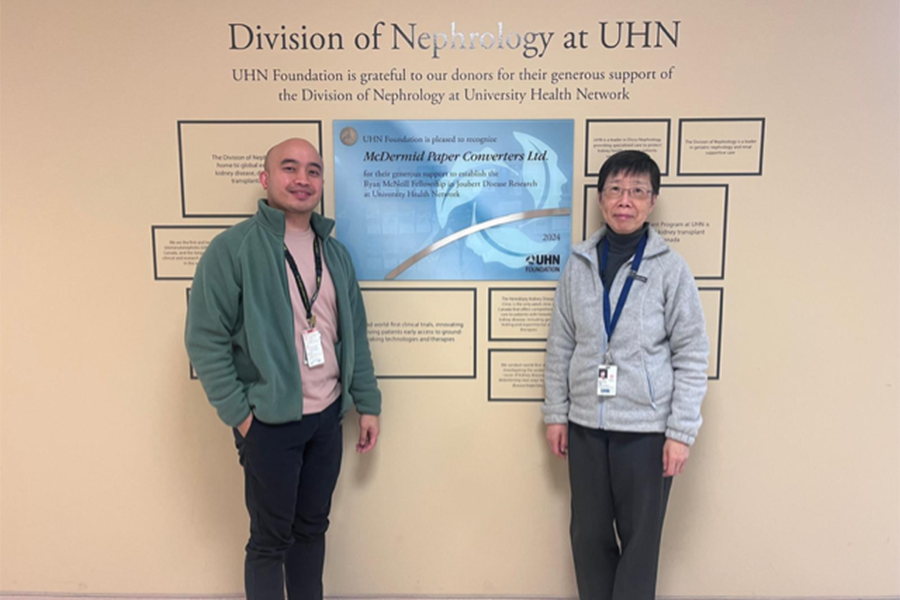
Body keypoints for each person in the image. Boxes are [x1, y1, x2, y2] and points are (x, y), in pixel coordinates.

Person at [185, 138, 381, 600]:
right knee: (270, 542)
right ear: (266, 178)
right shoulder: (233, 249)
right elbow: (204, 339)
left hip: (326, 420)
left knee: (312, 530)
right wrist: (241, 416)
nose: (302, 179)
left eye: (313, 170)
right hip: (269, 424)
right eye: (289, 168)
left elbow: (354, 332)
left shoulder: (335, 254)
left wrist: (367, 403)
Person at [543, 150, 709, 600]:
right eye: (615, 189)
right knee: (588, 538)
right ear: (601, 198)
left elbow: (692, 353)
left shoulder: (670, 269)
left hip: (646, 433)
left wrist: (680, 432)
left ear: (652, 201)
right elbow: (560, 344)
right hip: (585, 428)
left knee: (640, 546)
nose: (625, 200)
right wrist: (556, 414)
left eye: (637, 191)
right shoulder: (578, 265)